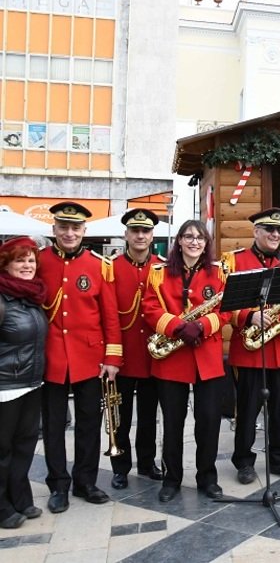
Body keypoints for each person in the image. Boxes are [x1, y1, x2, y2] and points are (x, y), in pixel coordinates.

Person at [38, 202, 122, 514]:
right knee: (53, 425)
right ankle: (58, 484)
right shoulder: (39, 260)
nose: (69, 232)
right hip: (52, 357)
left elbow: (110, 317)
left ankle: (85, 481)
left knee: (89, 422)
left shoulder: (100, 265)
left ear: (85, 231)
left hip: (90, 358)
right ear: (54, 229)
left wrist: (113, 357)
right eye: (64, 227)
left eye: (76, 228)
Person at [223, 208, 280, 483]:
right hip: (250, 352)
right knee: (248, 410)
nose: (275, 235)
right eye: (269, 230)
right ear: (256, 232)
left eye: (279, 231)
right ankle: (244, 462)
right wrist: (249, 316)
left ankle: (279, 459)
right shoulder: (235, 261)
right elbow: (225, 306)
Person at [142, 220, 228, 502]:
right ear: (179, 241)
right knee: (173, 423)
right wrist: (179, 327)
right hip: (173, 357)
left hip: (208, 357)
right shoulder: (158, 272)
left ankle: (207, 478)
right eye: (188, 237)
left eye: (200, 238)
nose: (194, 242)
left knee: (209, 421)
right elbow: (150, 308)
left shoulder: (219, 272)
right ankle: (172, 479)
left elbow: (227, 310)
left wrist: (202, 326)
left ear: (206, 243)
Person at [109, 209, 164, 490]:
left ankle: (146, 462)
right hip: (122, 357)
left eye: (145, 231)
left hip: (153, 357)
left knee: (147, 416)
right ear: (126, 235)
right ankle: (120, 467)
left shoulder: (162, 267)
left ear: (152, 235)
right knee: (121, 417)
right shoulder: (111, 267)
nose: (140, 236)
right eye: (135, 231)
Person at [0, 237, 48, 529]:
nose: (27, 266)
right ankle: (2, 507)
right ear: (6, 265)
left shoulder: (30, 296)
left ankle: (20, 498)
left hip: (31, 383)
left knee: (24, 446)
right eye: (20, 260)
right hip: (5, 387)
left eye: (31, 260)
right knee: (2, 450)